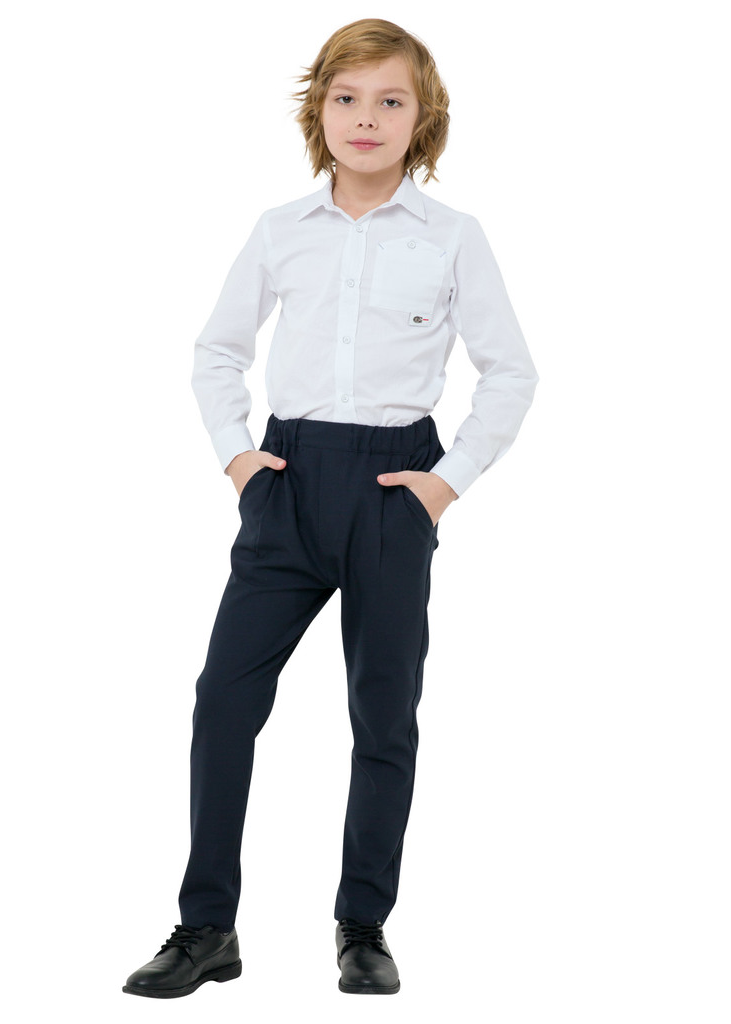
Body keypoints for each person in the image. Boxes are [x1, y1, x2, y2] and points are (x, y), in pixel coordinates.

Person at [123, 17, 538, 998]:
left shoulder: (452, 237)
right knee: (224, 700)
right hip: (290, 481)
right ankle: (206, 926)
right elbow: (216, 351)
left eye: (391, 100)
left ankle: (363, 924)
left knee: (383, 713)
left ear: (422, 118)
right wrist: (241, 461)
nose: (366, 117)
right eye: (347, 98)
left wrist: (445, 482)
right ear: (319, 111)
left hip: (396, 489)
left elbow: (511, 371)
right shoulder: (281, 230)